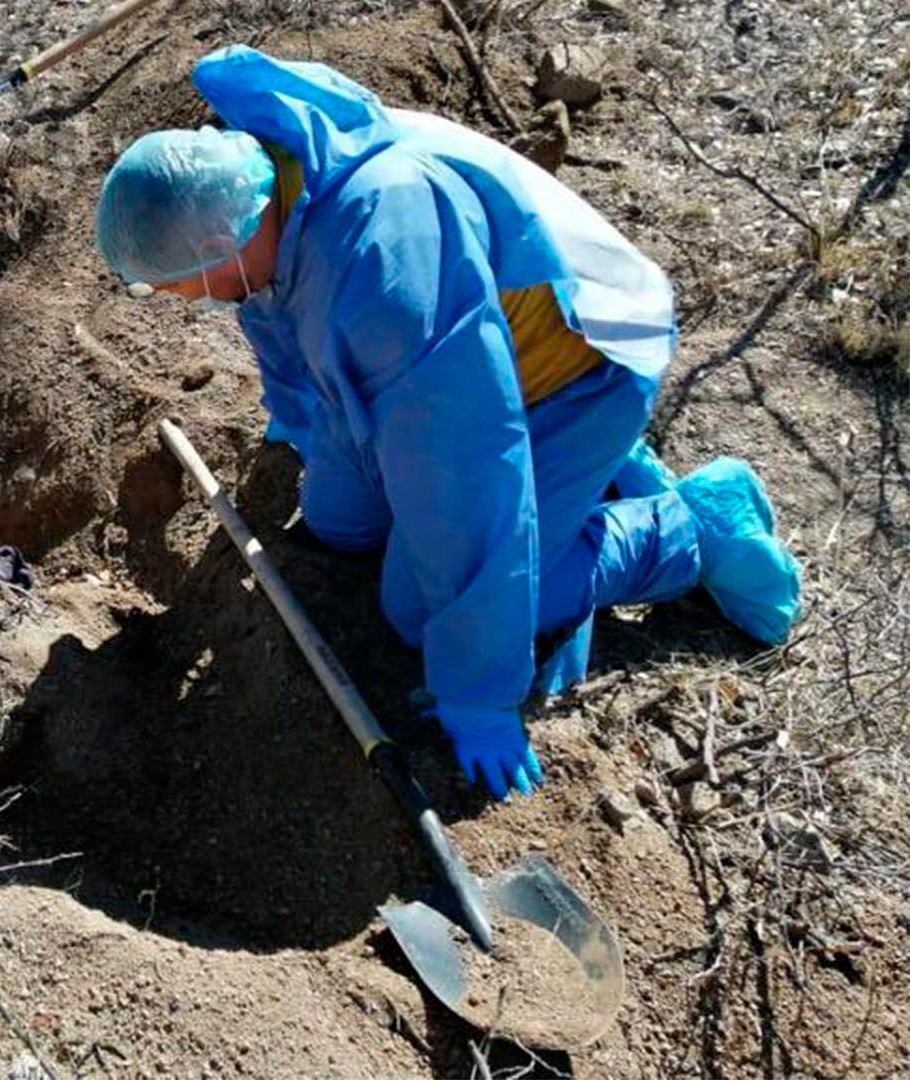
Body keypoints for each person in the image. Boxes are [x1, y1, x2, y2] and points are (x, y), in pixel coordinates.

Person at [96, 47, 801, 800]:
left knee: (419, 608)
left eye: (170, 287)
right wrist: (300, 419)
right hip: (464, 363)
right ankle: (598, 477)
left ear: (214, 247)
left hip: (575, 369)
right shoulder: (264, 185)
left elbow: (467, 474)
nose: (176, 301)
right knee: (338, 522)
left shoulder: (388, 265)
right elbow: (281, 319)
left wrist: (478, 691)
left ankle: (689, 525)